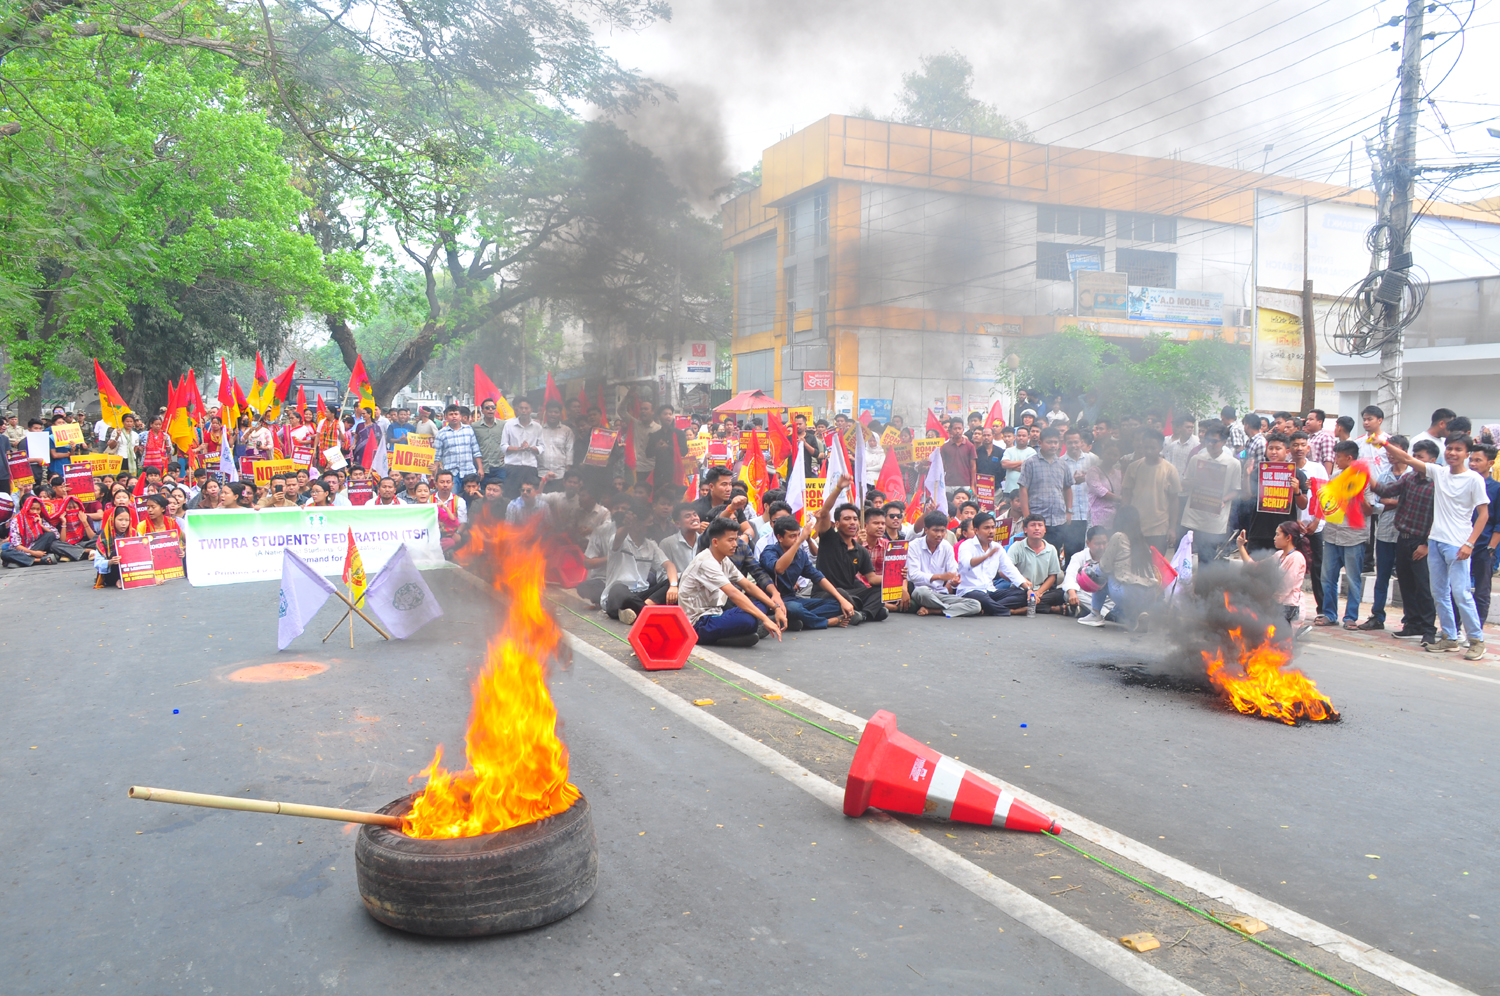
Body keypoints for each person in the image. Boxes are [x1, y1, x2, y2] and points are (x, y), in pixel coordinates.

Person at [1384, 435, 1490, 660]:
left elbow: (1483, 515)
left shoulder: (1474, 479)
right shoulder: (1439, 472)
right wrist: (1382, 443)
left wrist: (1469, 543)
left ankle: (1476, 640)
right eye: (1449, 448)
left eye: (1458, 449)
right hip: (1436, 541)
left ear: (1467, 453)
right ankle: (1449, 638)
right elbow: (1407, 459)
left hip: (1458, 545)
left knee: (1460, 593)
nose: (1452, 453)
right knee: (1439, 593)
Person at [676, 517, 783, 647]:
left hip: (717, 613)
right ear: (715, 542)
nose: (735, 544)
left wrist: (775, 607)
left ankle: (746, 630)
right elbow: (733, 593)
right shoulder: (706, 562)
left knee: (761, 603)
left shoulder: (724, 559)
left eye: (736, 539)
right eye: (730, 540)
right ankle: (746, 629)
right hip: (698, 623)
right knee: (748, 620)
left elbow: (748, 585)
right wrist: (765, 618)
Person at [1313, 440, 1374, 630]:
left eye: (1338, 457)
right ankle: (1330, 614)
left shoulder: (1364, 479)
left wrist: (1358, 495)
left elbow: (1369, 510)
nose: (1335, 460)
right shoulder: (1336, 476)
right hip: (1332, 533)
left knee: (1353, 580)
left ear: (1349, 458)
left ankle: (1351, 617)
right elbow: (1328, 503)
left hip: (1353, 536)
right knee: (1327, 577)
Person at [760, 516, 856, 630]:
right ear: (780, 537)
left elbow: (818, 577)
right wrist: (800, 540)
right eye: (792, 536)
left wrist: (841, 600)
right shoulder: (769, 551)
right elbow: (779, 568)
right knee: (795, 609)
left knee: (837, 604)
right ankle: (826, 621)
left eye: (798, 535)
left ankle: (795, 621)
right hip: (772, 602)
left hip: (792, 599)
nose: (796, 539)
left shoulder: (800, 555)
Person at [814, 475, 887, 622]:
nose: (852, 523)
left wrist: (895, 578)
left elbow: (872, 579)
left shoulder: (861, 550)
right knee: (839, 593)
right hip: (826, 593)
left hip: (851, 592)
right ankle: (866, 609)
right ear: (837, 524)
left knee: (880, 590)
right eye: (847, 519)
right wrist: (839, 488)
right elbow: (824, 513)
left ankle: (863, 614)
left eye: (855, 519)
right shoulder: (829, 539)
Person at [599, 499, 678, 624]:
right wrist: (627, 525)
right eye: (648, 523)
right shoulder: (619, 539)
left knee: (674, 581)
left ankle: (636, 611)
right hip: (618, 596)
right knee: (618, 589)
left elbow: (669, 565)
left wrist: (673, 586)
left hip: (641, 594)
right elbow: (619, 537)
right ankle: (645, 612)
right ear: (637, 524)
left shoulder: (651, 545)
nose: (651, 526)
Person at [901, 510, 982, 617]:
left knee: (975, 605)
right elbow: (914, 575)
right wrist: (940, 576)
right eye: (935, 530)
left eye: (943, 531)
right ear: (926, 530)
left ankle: (934, 610)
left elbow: (952, 572)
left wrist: (954, 581)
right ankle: (947, 609)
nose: (939, 534)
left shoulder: (947, 547)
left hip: (940, 593)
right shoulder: (914, 546)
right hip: (921, 592)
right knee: (922, 592)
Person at [1179, 426, 1240, 563]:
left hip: (1215, 516)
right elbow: (1185, 482)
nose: (1211, 444)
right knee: (1187, 553)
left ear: (1224, 442)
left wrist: (1222, 500)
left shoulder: (1233, 463)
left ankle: (1205, 583)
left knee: (1208, 555)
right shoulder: (1197, 459)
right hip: (1195, 514)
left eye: (1215, 441)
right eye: (1208, 441)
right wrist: (1193, 483)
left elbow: (1236, 490)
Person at [1097, 505, 1160, 631]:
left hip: (1129, 594)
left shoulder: (1118, 536)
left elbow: (1104, 566)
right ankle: (1138, 616)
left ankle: (1094, 614)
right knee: (1124, 580)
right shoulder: (1143, 541)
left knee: (1101, 575)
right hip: (1151, 595)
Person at [954, 511, 1028, 615]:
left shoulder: (996, 547)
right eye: (986, 528)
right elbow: (968, 564)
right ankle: (1011, 611)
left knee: (1023, 595)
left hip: (990, 591)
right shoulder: (966, 546)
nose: (991, 531)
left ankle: (987, 609)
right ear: (976, 530)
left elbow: (1009, 569)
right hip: (970, 591)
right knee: (981, 598)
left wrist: (1027, 589)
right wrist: (986, 556)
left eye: (993, 527)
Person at [1288, 430, 1329, 618]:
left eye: (1302, 445)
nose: (1299, 448)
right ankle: (1288, 608)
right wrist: (1294, 520)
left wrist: (1317, 520)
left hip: (1314, 526)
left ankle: (1322, 610)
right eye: (1295, 445)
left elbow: (1325, 497)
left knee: (1317, 570)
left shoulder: (1318, 468)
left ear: (1308, 447)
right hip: (1292, 527)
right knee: (1289, 568)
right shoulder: (1285, 468)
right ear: (1290, 448)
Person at [1015, 426, 1074, 558]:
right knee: (1036, 554)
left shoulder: (1063, 464)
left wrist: (1069, 511)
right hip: (1037, 519)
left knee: (1054, 554)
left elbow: (1067, 488)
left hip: (1058, 519)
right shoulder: (1030, 463)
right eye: (1049, 442)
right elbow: (1023, 489)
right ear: (1040, 443)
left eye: (1055, 442)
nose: (1053, 445)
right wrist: (1027, 517)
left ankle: (1052, 578)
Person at [1237, 522, 1311, 625]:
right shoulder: (1279, 555)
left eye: (1277, 534)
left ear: (1288, 537)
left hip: (1288, 608)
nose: (1274, 538)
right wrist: (1241, 547)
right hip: (1277, 604)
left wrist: (1269, 603)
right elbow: (1254, 567)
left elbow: (1285, 586)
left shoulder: (1296, 557)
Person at [1122, 428, 1181, 555]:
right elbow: (1126, 495)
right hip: (1136, 527)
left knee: (1157, 568)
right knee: (1136, 566)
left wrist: (1172, 528)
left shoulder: (1170, 470)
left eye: (1152, 448)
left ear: (1160, 447)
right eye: (1146, 447)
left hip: (1159, 528)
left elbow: (1174, 500)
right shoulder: (1133, 467)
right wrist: (1124, 523)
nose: (1148, 451)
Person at [998, 515, 1067, 615]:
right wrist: (1022, 582)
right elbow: (1003, 572)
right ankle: (1051, 609)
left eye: (1040, 525)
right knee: (1021, 598)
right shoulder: (1017, 546)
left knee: (1062, 594)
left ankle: (1023, 608)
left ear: (1045, 530)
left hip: (1043, 592)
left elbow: (1052, 576)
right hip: (1021, 591)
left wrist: (1038, 592)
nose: (1037, 528)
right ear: (1025, 529)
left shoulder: (1051, 549)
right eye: (1033, 525)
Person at [1465, 444, 1499, 632]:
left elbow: (1498, 523)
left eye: (1478, 460)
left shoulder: (1495, 489)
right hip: (1462, 543)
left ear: (1490, 463)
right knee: (1457, 589)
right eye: (1471, 459)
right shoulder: (1465, 483)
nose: (1473, 464)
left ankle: (1476, 629)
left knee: (1481, 591)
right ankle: (1455, 627)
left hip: (1483, 546)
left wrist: (1490, 548)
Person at [1066, 525, 1111, 625]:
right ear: (1088, 543)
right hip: (1086, 596)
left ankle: (1094, 612)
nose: (1102, 547)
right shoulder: (1078, 557)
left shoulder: (1111, 557)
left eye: (1104, 543)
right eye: (1097, 544)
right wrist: (1072, 593)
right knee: (1068, 593)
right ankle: (1106, 614)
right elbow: (1070, 576)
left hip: (1108, 598)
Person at [499, 399, 543, 498]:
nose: (523, 411)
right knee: (511, 495)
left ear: (531, 410)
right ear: (517, 409)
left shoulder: (537, 427)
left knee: (530, 496)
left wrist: (530, 448)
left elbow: (541, 447)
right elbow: (503, 446)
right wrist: (518, 449)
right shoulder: (509, 425)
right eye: (521, 408)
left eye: (526, 408)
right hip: (513, 466)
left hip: (530, 466)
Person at [434, 404, 483, 484]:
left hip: (469, 471)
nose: (454, 416)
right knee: (452, 496)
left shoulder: (469, 430)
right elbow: (436, 456)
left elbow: (476, 451)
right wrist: (435, 474)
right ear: (446, 417)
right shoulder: (441, 434)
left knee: (472, 495)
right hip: (451, 474)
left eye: (456, 414)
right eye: (451, 414)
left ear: (460, 416)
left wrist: (480, 468)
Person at [93, 506, 135, 588]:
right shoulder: (104, 537)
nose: (124, 523)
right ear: (113, 520)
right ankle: (118, 579)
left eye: (127, 520)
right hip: (111, 574)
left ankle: (128, 579)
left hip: (131, 571)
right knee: (116, 551)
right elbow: (97, 563)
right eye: (120, 520)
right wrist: (110, 562)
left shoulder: (134, 534)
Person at [537, 400, 574, 491]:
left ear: (560, 414)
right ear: (546, 413)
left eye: (556, 412)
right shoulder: (538, 430)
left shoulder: (567, 431)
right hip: (541, 475)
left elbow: (570, 452)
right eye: (550, 412)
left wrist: (567, 473)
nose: (553, 414)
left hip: (560, 476)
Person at [939, 418, 977, 490]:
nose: (957, 431)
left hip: (966, 484)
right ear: (950, 431)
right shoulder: (945, 447)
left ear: (963, 430)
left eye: (959, 428)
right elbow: (942, 467)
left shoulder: (970, 446)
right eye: (955, 429)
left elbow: (973, 467)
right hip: (949, 484)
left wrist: (972, 485)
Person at [1000, 425, 1034, 497]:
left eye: (1023, 436)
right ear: (1015, 437)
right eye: (1019, 435)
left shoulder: (1032, 452)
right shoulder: (1009, 451)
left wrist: (1011, 466)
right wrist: (1022, 462)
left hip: (1025, 491)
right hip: (1008, 490)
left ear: (1028, 438)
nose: (1021, 438)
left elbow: (1029, 469)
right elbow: (1004, 464)